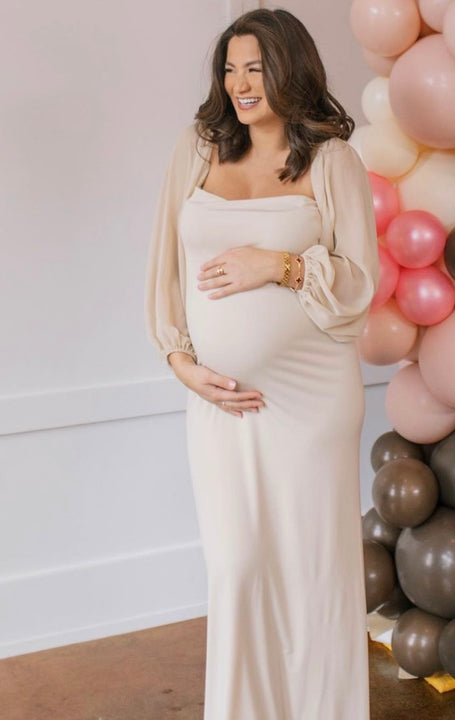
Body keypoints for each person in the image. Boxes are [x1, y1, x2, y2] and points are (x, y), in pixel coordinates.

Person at [145, 9, 378, 720]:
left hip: (311, 399)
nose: (240, 84)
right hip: (219, 400)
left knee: (312, 575)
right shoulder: (197, 148)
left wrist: (276, 264)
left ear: (290, 71)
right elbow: (165, 266)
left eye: (256, 68)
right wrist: (180, 360)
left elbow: (358, 285)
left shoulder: (333, 161)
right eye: (230, 68)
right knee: (236, 565)